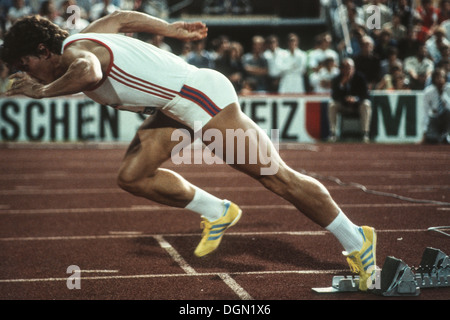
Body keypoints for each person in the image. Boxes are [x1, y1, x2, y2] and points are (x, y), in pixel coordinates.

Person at [2, 11, 377, 291]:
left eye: (27, 65)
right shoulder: (85, 35)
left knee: (279, 179)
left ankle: (357, 240)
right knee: (133, 176)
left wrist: (40, 93)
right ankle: (218, 210)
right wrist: (169, 29)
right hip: (174, 106)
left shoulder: (77, 54)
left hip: (200, 97)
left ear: (41, 49)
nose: (28, 75)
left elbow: (87, 73)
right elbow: (119, 18)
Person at [328, 58, 372, 143]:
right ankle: (333, 134)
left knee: (366, 104)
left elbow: (366, 94)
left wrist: (356, 99)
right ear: (341, 69)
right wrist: (341, 85)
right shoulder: (337, 79)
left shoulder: (360, 77)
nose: (347, 70)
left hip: (357, 105)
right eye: (344, 67)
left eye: (349, 67)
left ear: (354, 68)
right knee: (332, 105)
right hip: (343, 105)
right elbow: (334, 96)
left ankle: (365, 133)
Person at [422, 68, 450, 144]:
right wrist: (424, 133)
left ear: (445, 78)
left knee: (448, 111)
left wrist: (444, 96)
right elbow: (425, 113)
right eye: (437, 77)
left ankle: (447, 136)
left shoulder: (449, 89)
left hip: (447, 120)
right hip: (434, 120)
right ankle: (439, 137)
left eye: (442, 77)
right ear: (434, 79)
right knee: (431, 140)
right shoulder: (428, 92)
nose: (440, 79)